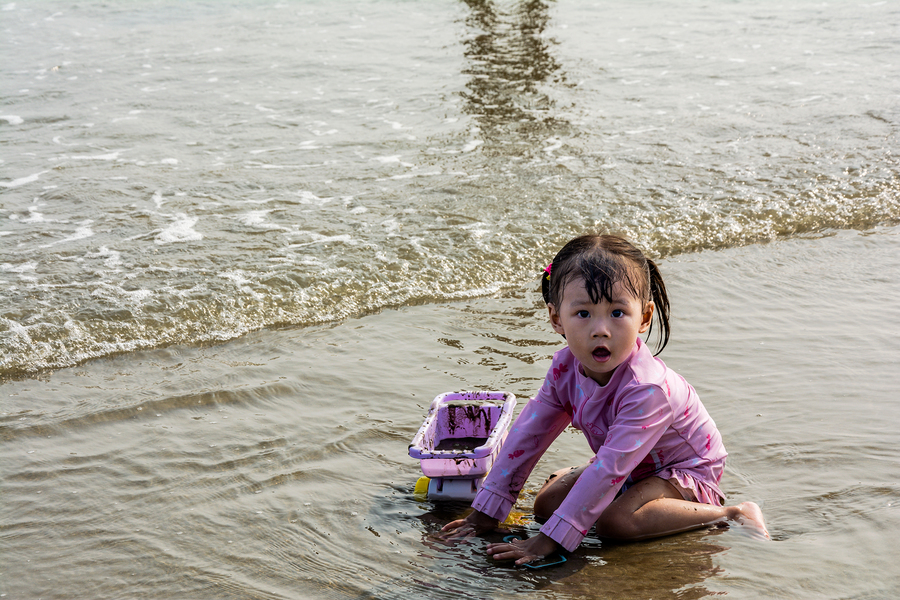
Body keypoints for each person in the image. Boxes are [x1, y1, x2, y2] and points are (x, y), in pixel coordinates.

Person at [441, 233, 768, 566]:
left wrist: (549, 540)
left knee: (616, 523)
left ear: (644, 317)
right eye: (583, 314)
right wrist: (485, 512)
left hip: (684, 472)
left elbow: (610, 466)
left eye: (617, 312)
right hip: (629, 469)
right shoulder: (563, 368)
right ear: (556, 319)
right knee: (545, 505)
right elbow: (529, 433)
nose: (601, 329)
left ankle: (730, 513)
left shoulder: (648, 389)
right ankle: (606, 489)